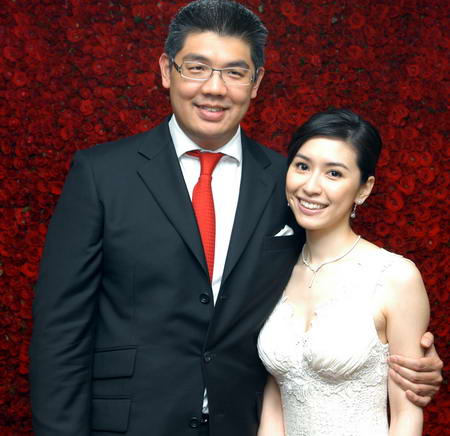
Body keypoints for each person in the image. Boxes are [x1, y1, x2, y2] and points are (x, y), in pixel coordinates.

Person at [29, 2, 442, 436]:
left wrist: (409, 364)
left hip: (247, 424)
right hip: (130, 424)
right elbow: (60, 330)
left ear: (256, 82)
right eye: (197, 68)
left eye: (234, 72)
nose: (215, 88)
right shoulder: (102, 174)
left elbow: (337, 289)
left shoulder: (289, 182)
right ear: (167, 70)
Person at [257, 108, 434, 435]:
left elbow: (407, 416)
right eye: (302, 166)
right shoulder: (276, 269)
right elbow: (275, 395)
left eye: (334, 173)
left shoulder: (394, 276)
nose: (311, 186)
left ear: (364, 189)